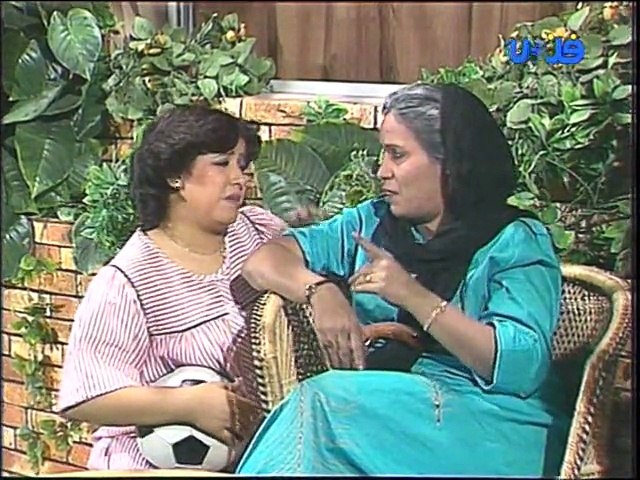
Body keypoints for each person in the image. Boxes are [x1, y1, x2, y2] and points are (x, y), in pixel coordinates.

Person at [236, 83, 571, 476]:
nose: (382, 171)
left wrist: (413, 296)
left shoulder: (516, 241)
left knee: (325, 404)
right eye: (383, 154)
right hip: (391, 409)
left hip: (492, 422)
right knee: (325, 428)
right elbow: (263, 262)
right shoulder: (374, 223)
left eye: (397, 154)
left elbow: (520, 368)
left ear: (450, 164)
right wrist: (320, 291)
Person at [57, 106, 288, 470]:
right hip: (149, 466)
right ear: (174, 175)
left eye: (241, 164)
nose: (239, 178)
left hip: (262, 455)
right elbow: (84, 398)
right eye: (221, 163)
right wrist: (189, 406)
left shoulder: (259, 232)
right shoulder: (129, 281)